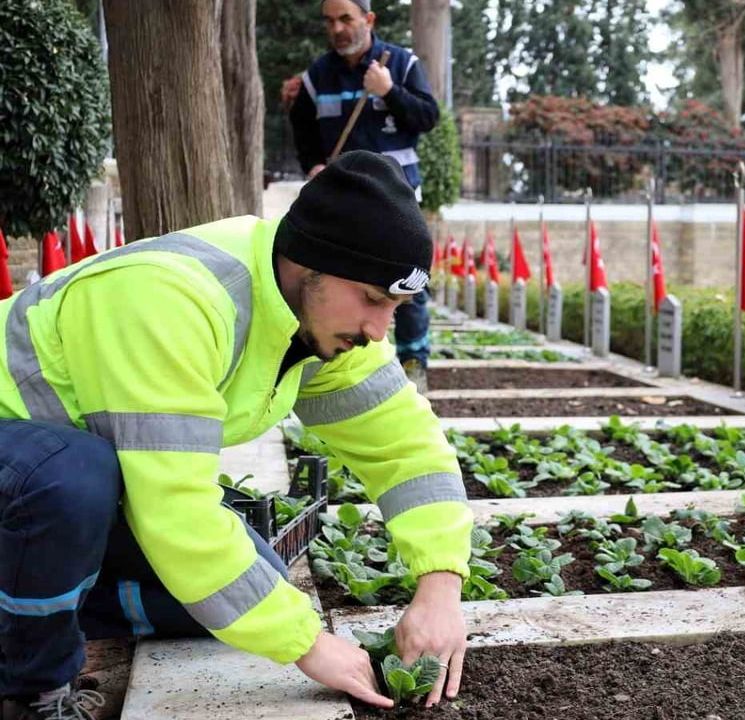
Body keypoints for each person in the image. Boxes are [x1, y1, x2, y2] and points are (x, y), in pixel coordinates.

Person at [0, 152, 471, 720]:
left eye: (394, 307)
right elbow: (176, 510)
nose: (377, 330)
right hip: (32, 470)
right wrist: (310, 645)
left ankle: (31, 599)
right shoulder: (172, 298)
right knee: (73, 479)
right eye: (372, 299)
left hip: (48, 497)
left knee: (242, 588)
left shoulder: (319, 324)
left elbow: (406, 447)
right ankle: (31, 688)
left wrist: (440, 589)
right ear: (309, 263)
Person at [285, 0, 437, 383]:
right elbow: (302, 128)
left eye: (346, 19)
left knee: (405, 282)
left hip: (398, 201)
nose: (337, 29)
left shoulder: (401, 64)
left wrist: (389, 92)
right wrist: (314, 166)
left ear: (368, 20)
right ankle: (337, 361)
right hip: (344, 205)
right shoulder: (317, 76)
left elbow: (427, 117)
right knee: (342, 282)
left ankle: (413, 361)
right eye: (330, 21)